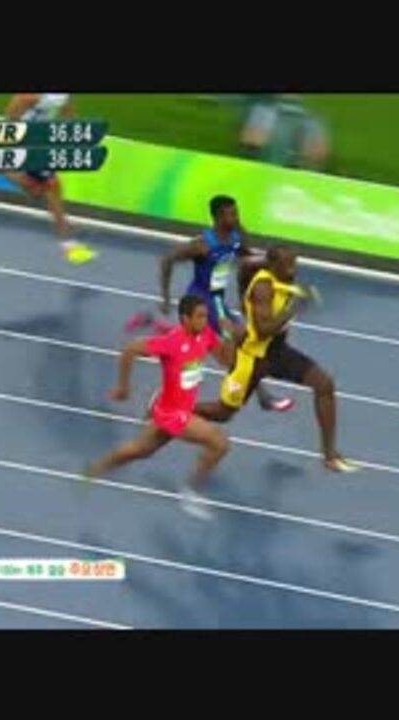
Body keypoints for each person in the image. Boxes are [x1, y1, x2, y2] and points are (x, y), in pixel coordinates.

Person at [195, 245, 357, 473]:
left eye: (294, 264)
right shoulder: (263, 288)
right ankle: (174, 409)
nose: (293, 270)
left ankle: (329, 456)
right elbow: (263, 331)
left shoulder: (282, 279)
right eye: (287, 266)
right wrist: (294, 307)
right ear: (274, 266)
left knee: (324, 384)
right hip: (252, 359)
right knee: (223, 414)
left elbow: (247, 265)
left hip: (277, 353)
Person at [128, 194, 293, 413]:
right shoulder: (203, 245)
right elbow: (167, 260)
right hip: (202, 300)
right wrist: (165, 297)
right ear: (218, 217)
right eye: (231, 214)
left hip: (218, 300)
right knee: (237, 344)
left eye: (237, 213)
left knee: (218, 349)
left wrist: (270, 264)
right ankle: (262, 395)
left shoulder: (236, 237)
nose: (236, 218)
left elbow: (247, 257)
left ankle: (155, 331)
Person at [87, 295, 233, 517]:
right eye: (200, 317)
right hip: (172, 414)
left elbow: (226, 361)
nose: (205, 321)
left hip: (178, 407)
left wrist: (229, 335)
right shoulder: (172, 342)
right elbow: (131, 349)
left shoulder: (206, 334)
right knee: (219, 443)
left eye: (206, 316)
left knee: (140, 450)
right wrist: (123, 388)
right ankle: (190, 492)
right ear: (185, 319)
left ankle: (95, 469)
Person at [4, 94, 97, 265]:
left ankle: (14, 175)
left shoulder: (62, 96)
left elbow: (68, 111)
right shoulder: (29, 97)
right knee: (52, 187)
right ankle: (69, 243)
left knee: (43, 188)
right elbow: (11, 118)